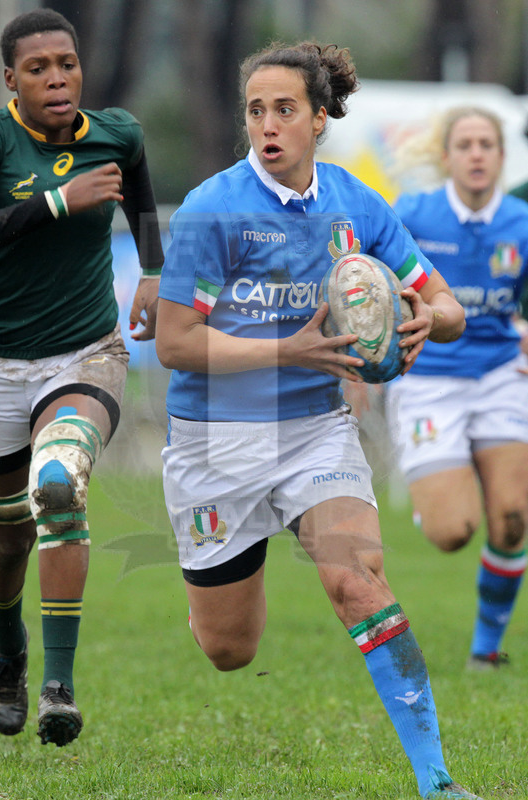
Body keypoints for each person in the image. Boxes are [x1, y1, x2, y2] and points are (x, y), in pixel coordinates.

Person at [154, 40, 488, 800]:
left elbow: (448, 308)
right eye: (254, 111)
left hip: (314, 431)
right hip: (216, 443)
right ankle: (208, 603)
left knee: (358, 582)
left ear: (318, 120)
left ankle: (437, 783)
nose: (266, 125)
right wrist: (290, 348)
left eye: (284, 110)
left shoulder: (355, 205)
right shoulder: (214, 209)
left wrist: (420, 321)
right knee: (230, 650)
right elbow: (175, 343)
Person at [0, 8, 163, 746]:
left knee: (58, 484)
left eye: (67, 64)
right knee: (7, 531)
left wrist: (154, 272)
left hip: (83, 354)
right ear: (11, 79)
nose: (57, 78)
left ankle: (57, 686)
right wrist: (50, 202)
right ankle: (7, 651)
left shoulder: (116, 131)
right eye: (39, 68)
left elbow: (137, 191)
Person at [385, 106, 528, 670]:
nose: (475, 154)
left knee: (514, 518)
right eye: (465, 144)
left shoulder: (520, 222)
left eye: (486, 145)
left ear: (500, 157)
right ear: (446, 156)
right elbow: (370, 278)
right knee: (451, 533)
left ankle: (485, 651)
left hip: (499, 377)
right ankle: (439, 497)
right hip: (429, 380)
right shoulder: (413, 214)